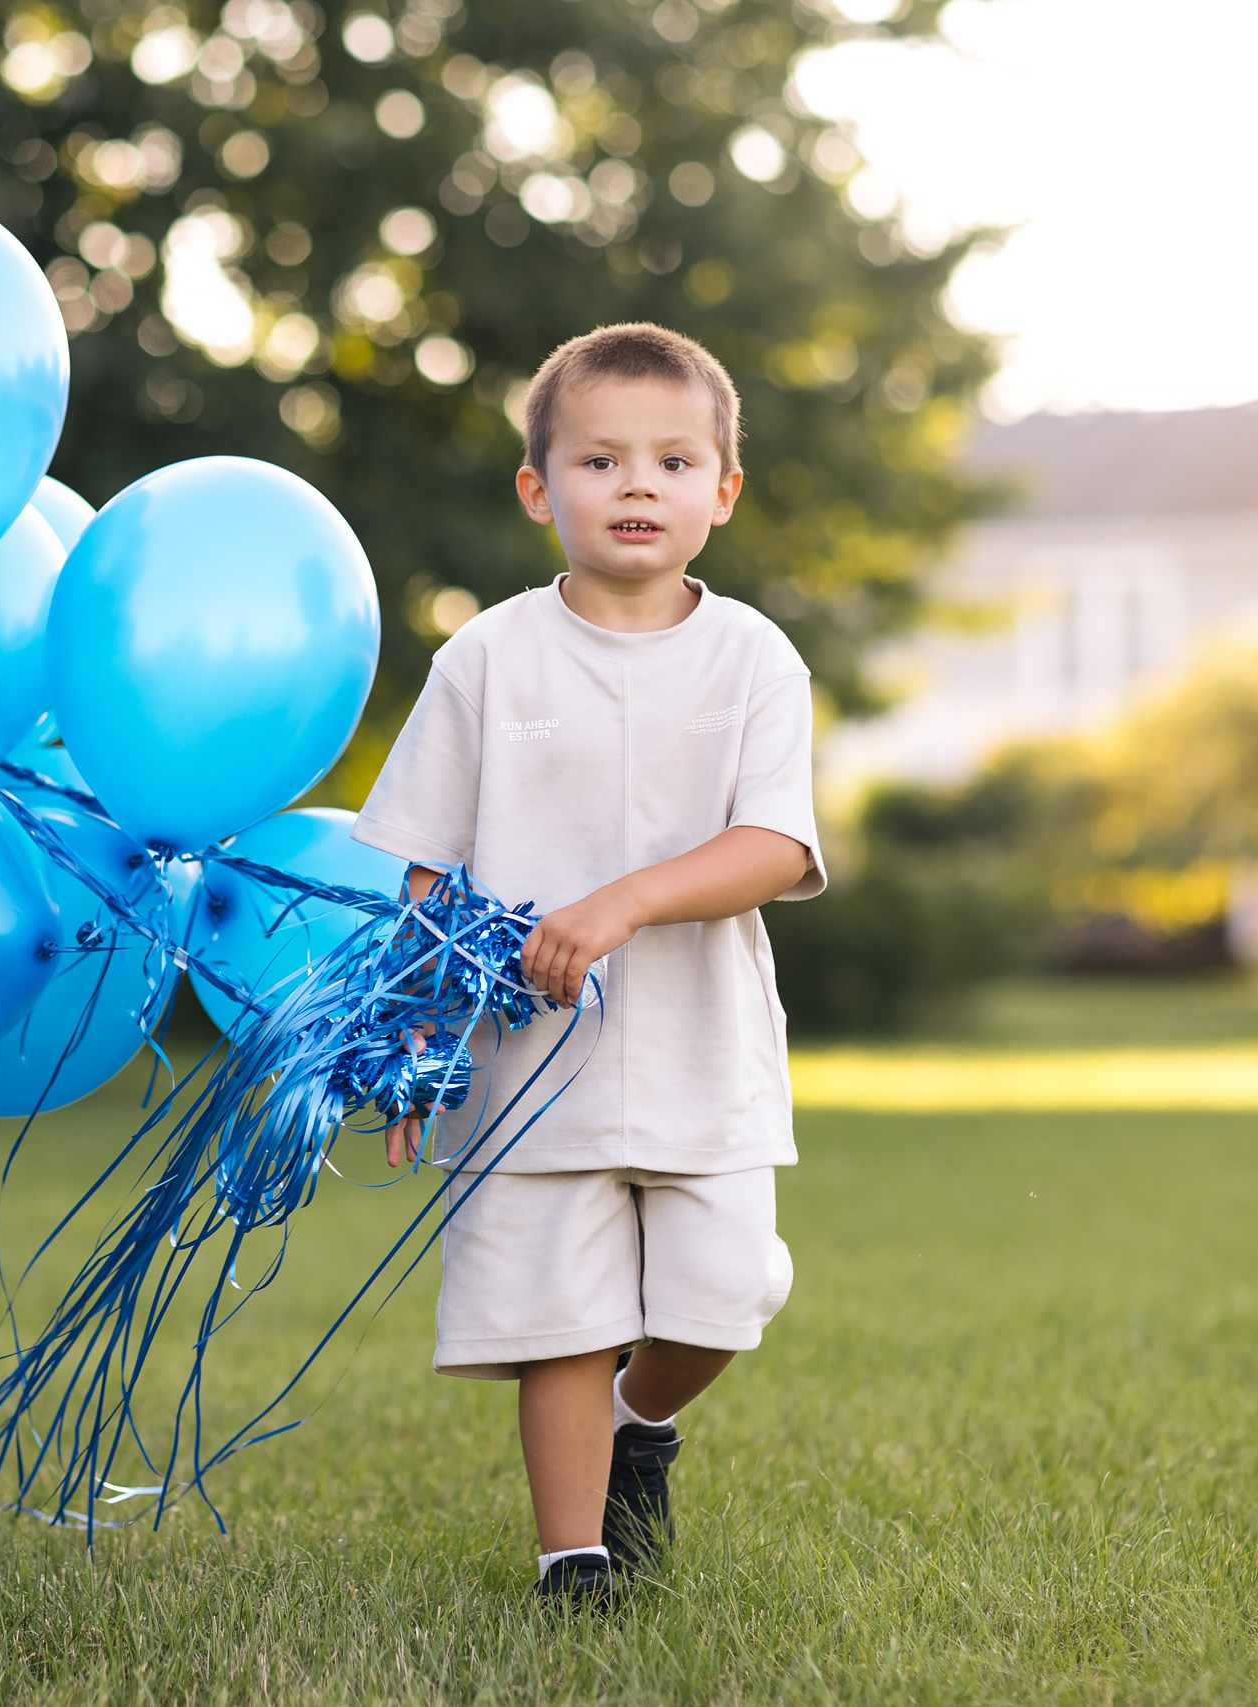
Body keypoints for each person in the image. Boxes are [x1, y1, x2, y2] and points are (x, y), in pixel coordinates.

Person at [353, 322, 824, 1609]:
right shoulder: (488, 658)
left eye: (673, 462)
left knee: (721, 1299)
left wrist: (622, 904)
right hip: (525, 1068)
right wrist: (405, 1040)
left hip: (697, 1050)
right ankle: (575, 1564)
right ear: (537, 487)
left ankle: (643, 1424)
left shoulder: (752, 660)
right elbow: (417, 868)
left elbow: (775, 846)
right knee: (555, 1318)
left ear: (721, 493)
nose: (636, 485)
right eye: (600, 458)